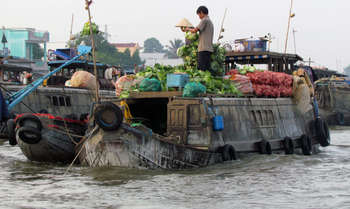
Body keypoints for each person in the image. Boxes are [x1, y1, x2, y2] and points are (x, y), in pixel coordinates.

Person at [188, 6, 214, 73]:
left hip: (203, 48)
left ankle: (202, 83)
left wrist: (187, 29)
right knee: (207, 69)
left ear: (202, 12)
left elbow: (194, 30)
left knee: (201, 69)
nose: (199, 17)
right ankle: (207, 83)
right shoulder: (210, 21)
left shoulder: (204, 20)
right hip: (209, 49)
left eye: (199, 14)